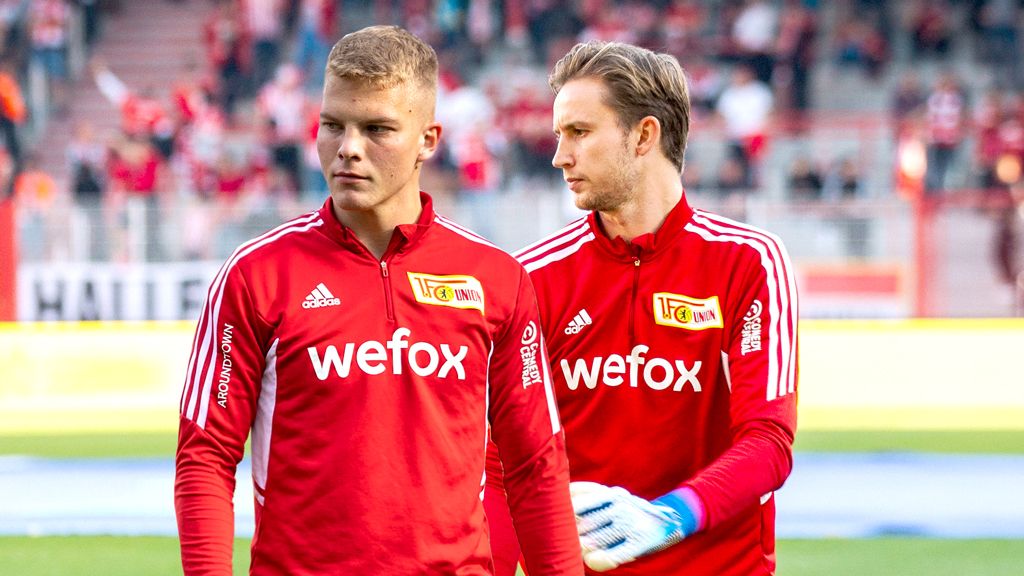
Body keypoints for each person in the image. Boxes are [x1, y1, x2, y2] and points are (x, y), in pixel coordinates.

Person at [175, 25, 583, 575]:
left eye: (377, 129)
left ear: (429, 140)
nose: (348, 148)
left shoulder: (496, 279)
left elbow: (536, 465)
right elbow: (206, 455)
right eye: (332, 125)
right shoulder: (255, 276)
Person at [485, 40, 799, 576]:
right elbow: (500, 463)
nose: (560, 155)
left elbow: (768, 443)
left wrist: (668, 518)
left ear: (644, 136)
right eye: (560, 135)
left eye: (579, 133)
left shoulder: (747, 262)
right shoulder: (530, 278)